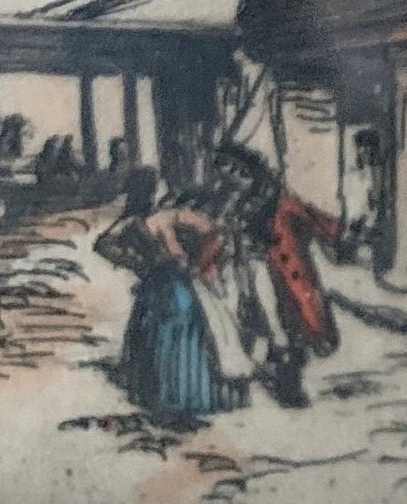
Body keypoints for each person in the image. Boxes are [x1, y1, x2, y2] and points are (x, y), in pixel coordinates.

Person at [96, 169, 251, 424]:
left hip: (171, 287)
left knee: (172, 339)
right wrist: (141, 263)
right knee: (168, 339)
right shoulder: (148, 218)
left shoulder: (158, 218)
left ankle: (173, 400)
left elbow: (206, 239)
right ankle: (170, 399)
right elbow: (103, 245)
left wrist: (194, 263)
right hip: (163, 287)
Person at [210, 143, 341, 408]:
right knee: (253, 325)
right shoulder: (233, 203)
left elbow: (315, 221)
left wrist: (336, 234)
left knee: (281, 327)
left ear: (250, 171)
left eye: (237, 171)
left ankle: (290, 385)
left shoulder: (278, 200)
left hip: (279, 272)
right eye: (226, 172)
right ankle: (274, 375)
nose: (233, 178)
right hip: (246, 272)